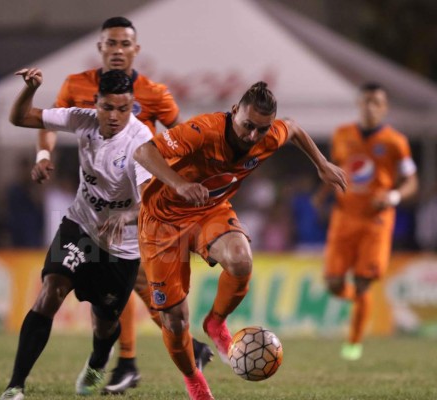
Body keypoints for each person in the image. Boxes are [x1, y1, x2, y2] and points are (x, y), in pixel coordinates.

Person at [133, 81, 347, 399]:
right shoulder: (203, 131)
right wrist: (178, 184)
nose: (252, 136)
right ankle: (194, 378)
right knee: (175, 323)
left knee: (241, 260)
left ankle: (216, 323)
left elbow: (294, 128)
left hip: (208, 210)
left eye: (261, 129)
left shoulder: (268, 136)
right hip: (162, 221)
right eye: (248, 126)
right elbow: (143, 151)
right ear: (235, 112)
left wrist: (322, 164)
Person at [33, 16, 212, 394]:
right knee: (135, 282)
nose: (117, 50)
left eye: (124, 44)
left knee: (135, 281)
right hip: (97, 204)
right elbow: (47, 121)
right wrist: (43, 154)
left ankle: (136, 360)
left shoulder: (156, 93)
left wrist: (176, 185)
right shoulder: (75, 85)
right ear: (100, 48)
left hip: (142, 202)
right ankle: (157, 354)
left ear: (136, 49)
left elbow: (183, 139)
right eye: (110, 43)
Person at [0, 68, 153, 400]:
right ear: (95, 103)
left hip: (120, 247)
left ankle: (98, 362)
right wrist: (30, 90)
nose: (114, 116)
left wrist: (125, 215)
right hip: (80, 226)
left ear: (133, 107)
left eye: (123, 109)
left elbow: (151, 205)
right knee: (50, 292)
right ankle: (15, 386)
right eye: (108, 107)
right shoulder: (81, 119)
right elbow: (20, 117)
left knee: (106, 323)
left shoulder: (141, 142)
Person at [315, 82, 418, 361]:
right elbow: (336, 171)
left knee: (363, 281)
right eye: (366, 101)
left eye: (376, 102)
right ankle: (358, 301)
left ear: (384, 107)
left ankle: (354, 342)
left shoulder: (396, 142)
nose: (370, 106)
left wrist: (394, 196)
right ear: (358, 103)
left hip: (376, 220)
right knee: (334, 283)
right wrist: (322, 195)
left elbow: (411, 181)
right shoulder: (342, 135)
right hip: (344, 217)